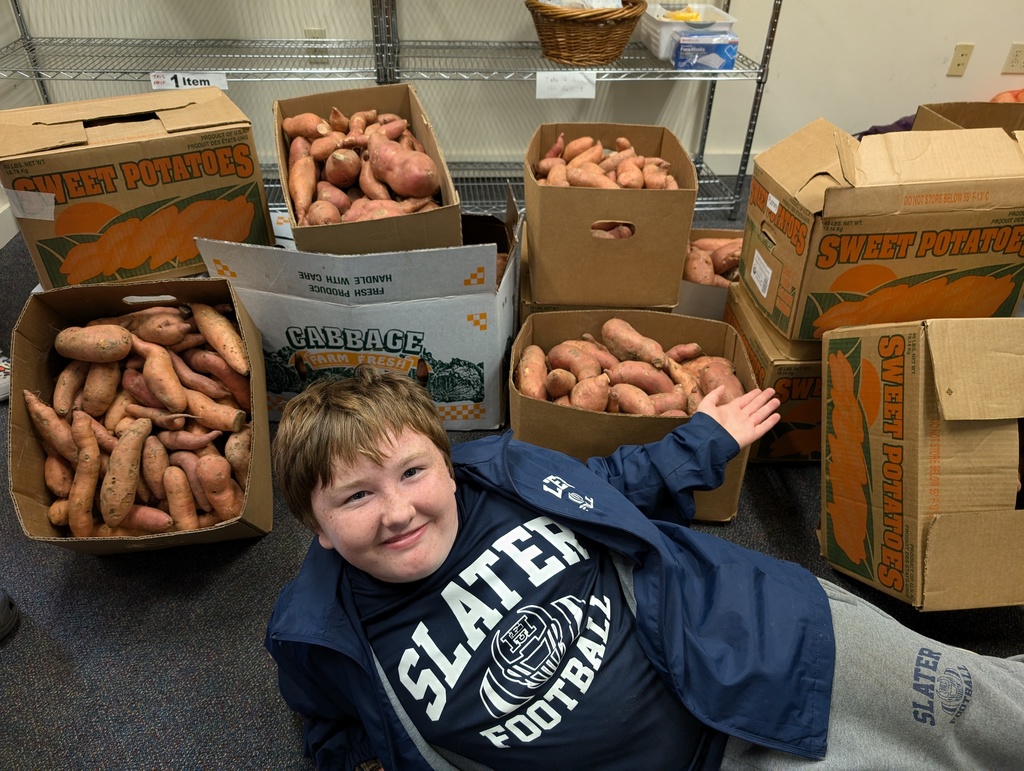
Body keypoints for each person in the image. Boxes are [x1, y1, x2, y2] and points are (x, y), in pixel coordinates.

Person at [265, 366, 1024, 771]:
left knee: (988, 716)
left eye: (411, 473)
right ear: (317, 526)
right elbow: (327, 720)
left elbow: (611, 480)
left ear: (449, 466)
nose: (396, 511)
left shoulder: (500, 475)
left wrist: (704, 441)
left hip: (759, 642)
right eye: (356, 495)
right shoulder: (318, 633)